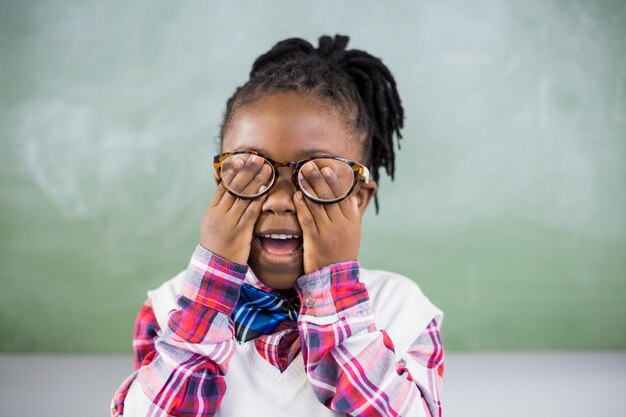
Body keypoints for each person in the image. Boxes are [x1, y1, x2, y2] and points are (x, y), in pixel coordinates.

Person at [111, 34, 444, 417]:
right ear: (222, 186)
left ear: (358, 200)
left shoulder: (402, 309)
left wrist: (335, 293)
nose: (280, 199)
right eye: (251, 171)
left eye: (318, 175)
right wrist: (210, 293)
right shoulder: (169, 308)